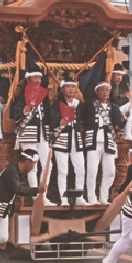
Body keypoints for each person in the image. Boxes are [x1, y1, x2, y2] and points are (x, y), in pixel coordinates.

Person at [0, 149, 43, 263]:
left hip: (2, 208)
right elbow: (18, 190)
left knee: (3, 238)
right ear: (27, 161)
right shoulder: (11, 171)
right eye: (33, 163)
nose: (34, 166)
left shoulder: (17, 172)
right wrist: (38, 190)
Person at [83, 81, 124, 205]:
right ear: (97, 92)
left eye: (107, 90)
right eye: (102, 90)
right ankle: (91, 198)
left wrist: (125, 117)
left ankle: (103, 197)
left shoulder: (114, 107)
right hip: (93, 140)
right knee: (91, 171)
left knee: (110, 171)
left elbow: (119, 124)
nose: (105, 92)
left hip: (108, 141)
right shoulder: (90, 105)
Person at [49, 77, 86, 206]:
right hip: (61, 139)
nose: (71, 89)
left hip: (76, 138)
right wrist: (60, 122)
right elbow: (51, 119)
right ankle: (64, 199)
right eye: (68, 86)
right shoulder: (56, 104)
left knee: (80, 169)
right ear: (62, 88)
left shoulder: (79, 103)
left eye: (73, 86)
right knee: (63, 170)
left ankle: (79, 197)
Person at [11, 71, 51, 192]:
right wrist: (23, 110)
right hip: (28, 133)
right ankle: (35, 195)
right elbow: (15, 111)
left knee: (48, 165)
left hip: (43, 134)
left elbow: (48, 113)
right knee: (32, 166)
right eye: (35, 78)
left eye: (39, 78)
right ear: (28, 80)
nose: (38, 80)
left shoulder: (44, 95)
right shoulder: (23, 95)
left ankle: (43, 195)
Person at [109, 63, 132, 141]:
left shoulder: (112, 85)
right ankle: (127, 134)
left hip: (112, 110)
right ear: (112, 75)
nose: (119, 78)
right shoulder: (110, 85)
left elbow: (114, 98)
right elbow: (115, 102)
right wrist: (126, 97)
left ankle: (127, 133)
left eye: (121, 76)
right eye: (117, 75)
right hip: (110, 112)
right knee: (130, 106)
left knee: (130, 107)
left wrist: (122, 96)